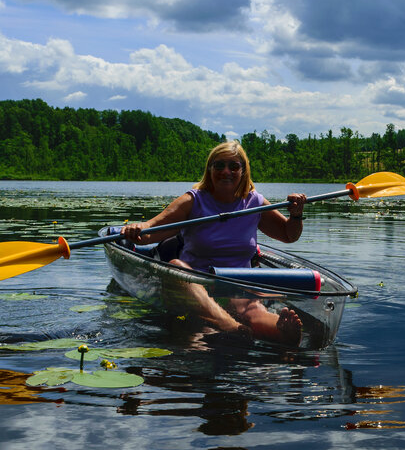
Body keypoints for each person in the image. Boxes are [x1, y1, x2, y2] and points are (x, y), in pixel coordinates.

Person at [119, 141, 308, 344]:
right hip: (196, 286)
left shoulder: (254, 202)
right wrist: (137, 229)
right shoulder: (193, 200)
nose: (226, 171)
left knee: (252, 309)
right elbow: (152, 230)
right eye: (219, 165)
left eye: (233, 166)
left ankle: (280, 331)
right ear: (210, 170)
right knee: (175, 268)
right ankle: (231, 326)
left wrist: (296, 216)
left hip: (238, 286)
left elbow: (289, 235)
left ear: (243, 172)